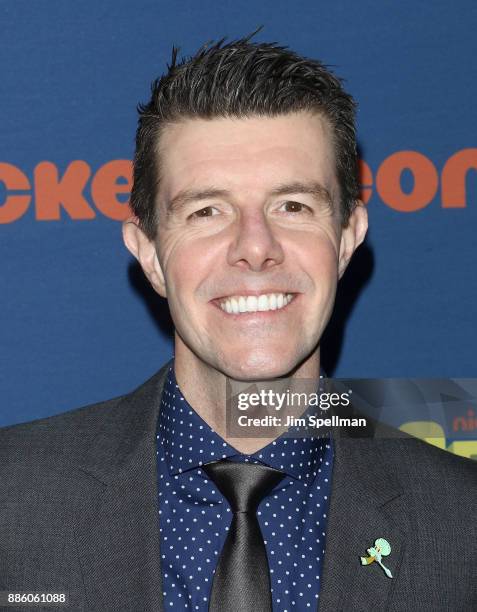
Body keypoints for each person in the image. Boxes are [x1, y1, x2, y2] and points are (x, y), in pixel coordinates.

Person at [1, 36, 476, 612]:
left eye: (292, 206)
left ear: (348, 239)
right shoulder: (13, 500)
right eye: (207, 211)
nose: (255, 248)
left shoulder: (462, 522)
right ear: (149, 253)